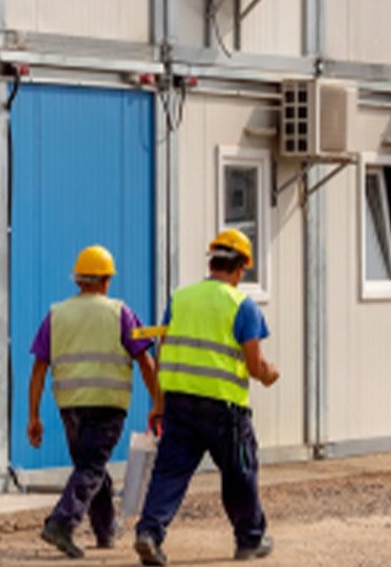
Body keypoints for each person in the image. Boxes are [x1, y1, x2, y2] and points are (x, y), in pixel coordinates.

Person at [134, 230, 281, 566]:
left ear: (212, 262)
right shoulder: (243, 306)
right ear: (241, 267)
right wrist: (269, 374)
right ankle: (248, 540)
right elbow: (254, 364)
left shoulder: (180, 299)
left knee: (169, 473)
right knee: (240, 472)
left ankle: (149, 533)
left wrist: (158, 403)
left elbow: (164, 350)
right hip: (224, 409)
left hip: (179, 403)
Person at [27, 245, 162, 559]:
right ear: (105, 281)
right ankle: (61, 522)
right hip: (107, 404)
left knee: (89, 465)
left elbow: (38, 369)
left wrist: (33, 416)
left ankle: (105, 530)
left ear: (78, 280)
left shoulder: (56, 315)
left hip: (69, 405)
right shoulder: (120, 313)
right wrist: (158, 401)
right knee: (91, 465)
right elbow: (145, 361)